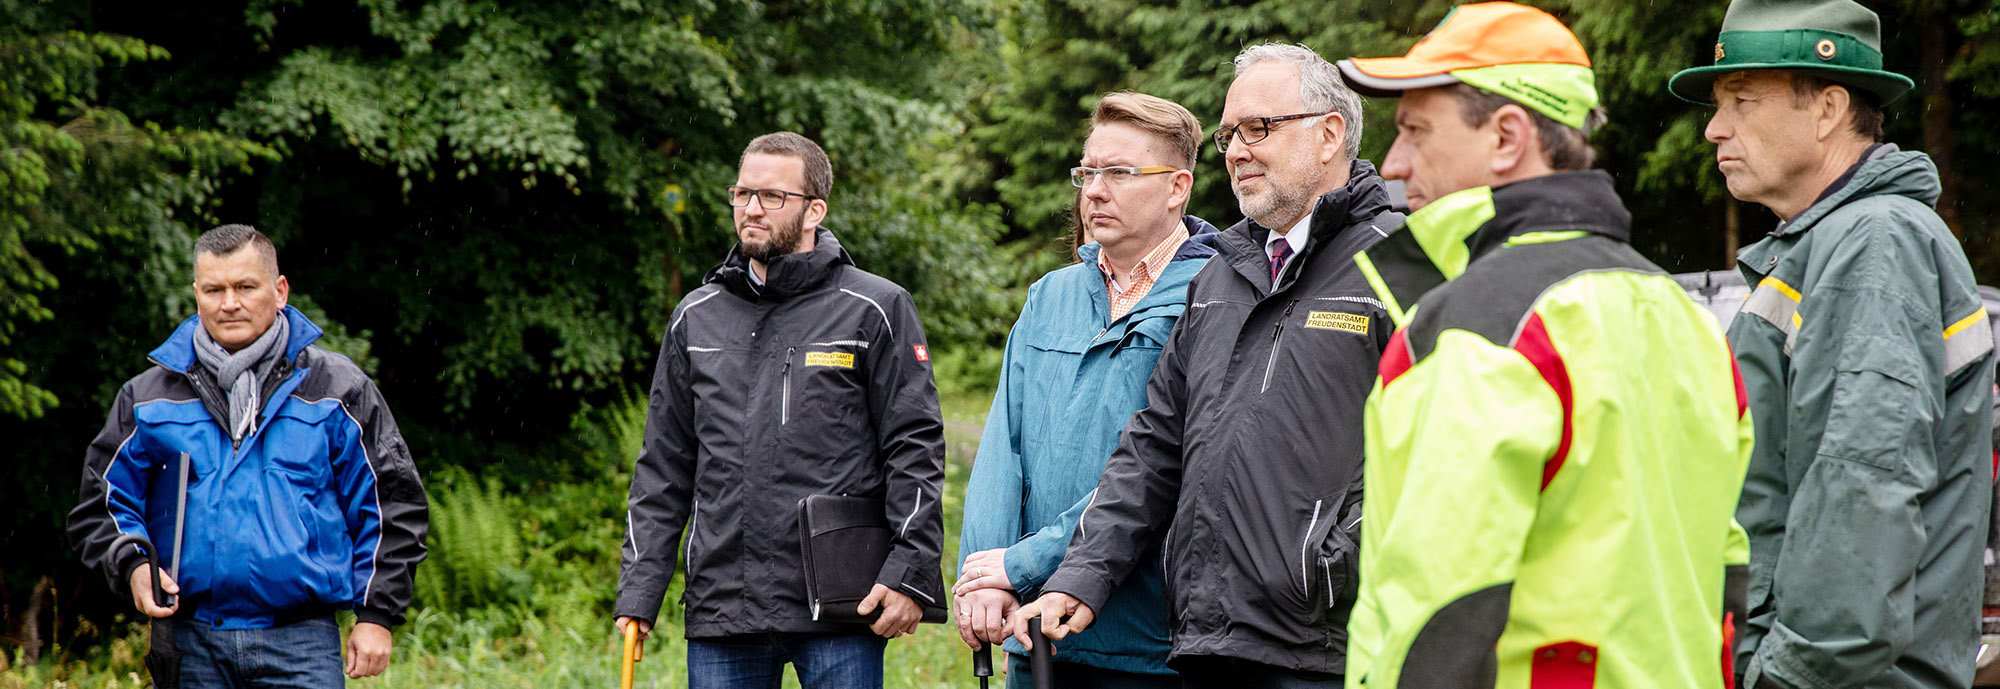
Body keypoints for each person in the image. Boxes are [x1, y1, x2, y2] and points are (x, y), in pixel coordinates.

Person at [1332, 4, 1753, 687]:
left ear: (1506, 137)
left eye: (1414, 130)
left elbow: (1441, 607)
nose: (1394, 162)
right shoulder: (1688, 317)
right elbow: (1725, 574)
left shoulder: (1477, 323)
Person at [1013, 43, 1403, 688]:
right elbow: (1155, 445)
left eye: (1260, 128)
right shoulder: (1221, 274)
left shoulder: (1402, 264)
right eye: (1229, 134)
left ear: (1330, 134)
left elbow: (1441, 450)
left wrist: (1331, 563)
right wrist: (1082, 577)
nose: (1238, 151)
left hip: (1336, 645)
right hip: (1207, 640)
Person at [1668, 0, 1996, 686]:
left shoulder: (1874, 245)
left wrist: (1780, 674)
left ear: (1827, 108)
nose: (1714, 128)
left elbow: (1862, 485)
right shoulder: (1837, 243)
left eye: (1741, 100)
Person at [613, 131, 948, 689]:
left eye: (772, 197)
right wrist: (640, 590)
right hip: (724, 608)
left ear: (815, 209)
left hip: (842, 603)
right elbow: (662, 469)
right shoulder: (696, 317)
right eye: (742, 193)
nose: (751, 209)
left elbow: (914, 447)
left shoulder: (877, 307)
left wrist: (910, 570)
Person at [67, 224, 430, 688]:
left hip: (302, 643)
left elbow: (393, 504)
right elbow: (100, 503)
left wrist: (377, 613)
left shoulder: (339, 391)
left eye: (245, 287)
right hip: (190, 642)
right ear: (196, 294)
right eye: (214, 289)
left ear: (279, 291)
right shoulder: (148, 399)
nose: (229, 303)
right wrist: (134, 565)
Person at [952, 91, 1218, 689]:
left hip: (1149, 643)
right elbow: (1003, 445)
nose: (1094, 190)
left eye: (1120, 173)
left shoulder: (1214, 297)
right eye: (1088, 172)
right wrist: (987, 574)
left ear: (1178, 187)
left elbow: (1162, 466)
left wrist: (1025, 562)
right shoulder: (1052, 295)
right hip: (1033, 633)